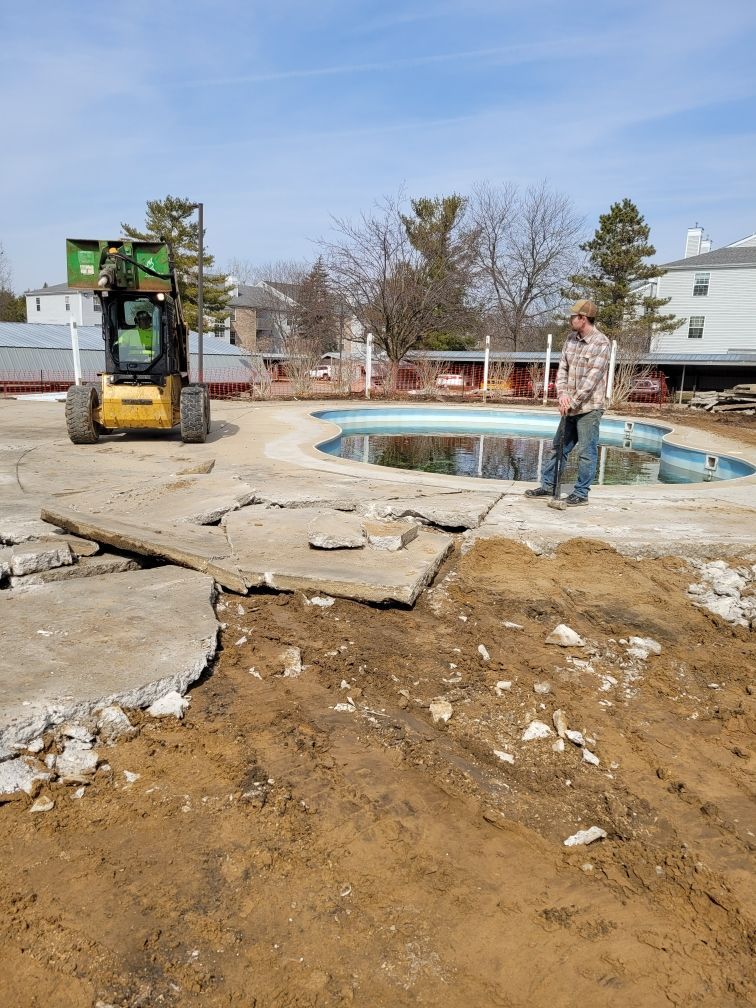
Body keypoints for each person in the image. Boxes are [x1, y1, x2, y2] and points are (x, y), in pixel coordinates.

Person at [525, 299, 610, 506]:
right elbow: (562, 370)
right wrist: (562, 395)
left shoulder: (601, 343)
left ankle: (581, 493)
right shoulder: (570, 340)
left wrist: (572, 401)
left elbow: (592, 379)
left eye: (573, 316)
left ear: (583, 318)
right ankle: (548, 486)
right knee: (558, 447)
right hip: (568, 406)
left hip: (589, 408)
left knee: (586, 452)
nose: (570, 319)